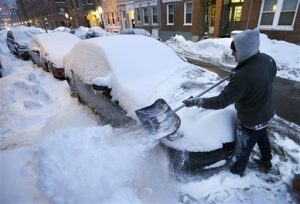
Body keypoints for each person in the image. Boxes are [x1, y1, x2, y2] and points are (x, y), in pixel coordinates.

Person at [183, 29, 277, 176]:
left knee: (244, 148)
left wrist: (197, 101)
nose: (232, 54)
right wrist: (240, 70)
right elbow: (265, 76)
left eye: (235, 51)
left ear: (245, 51)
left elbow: (221, 101)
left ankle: (237, 171)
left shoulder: (242, 78)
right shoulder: (268, 59)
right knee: (262, 136)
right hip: (266, 112)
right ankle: (267, 160)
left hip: (251, 119)